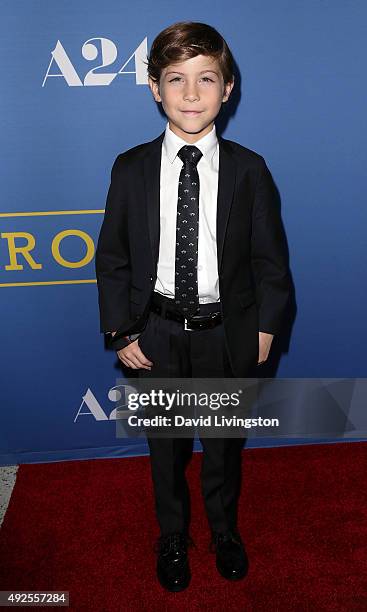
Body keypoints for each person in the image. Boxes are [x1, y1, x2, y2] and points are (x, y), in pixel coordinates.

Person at [95, 21, 291, 592]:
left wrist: (264, 329)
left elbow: (270, 264)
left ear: (227, 89)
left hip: (225, 333)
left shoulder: (250, 170)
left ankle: (224, 530)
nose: (190, 94)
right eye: (175, 79)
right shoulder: (130, 169)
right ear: (154, 87)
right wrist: (121, 331)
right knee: (166, 450)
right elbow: (113, 259)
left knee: (223, 448)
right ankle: (173, 535)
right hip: (154, 333)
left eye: (206, 79)